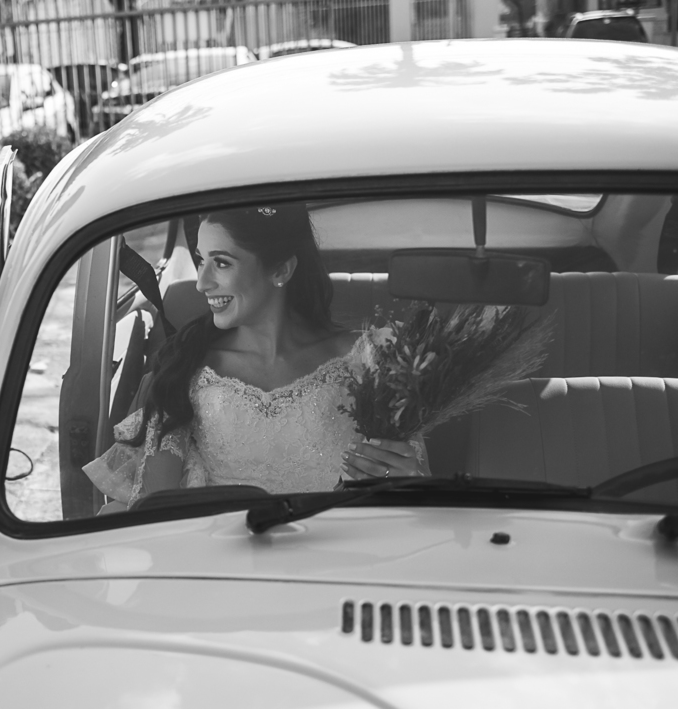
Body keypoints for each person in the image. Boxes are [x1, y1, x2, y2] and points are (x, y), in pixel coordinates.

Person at [84, 204, 428, 509]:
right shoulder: (185, 368)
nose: (202, 283)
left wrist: (406, 479)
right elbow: (153, 510)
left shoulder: (372, 361)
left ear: (281, 271)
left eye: (221, 263)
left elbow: (417, 486)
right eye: (201, 260)